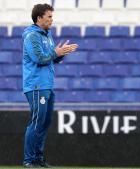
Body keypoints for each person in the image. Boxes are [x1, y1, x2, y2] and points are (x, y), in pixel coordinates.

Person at [22, 3, 78, 168]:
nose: (52, 20)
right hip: (37, 85)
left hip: (47, 85)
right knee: (37, 121)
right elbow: (39, 58)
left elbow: (50, 58)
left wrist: (61, 54)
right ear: (39, 18)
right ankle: (28, 160)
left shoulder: (46, 35)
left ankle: (38, 158)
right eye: (49, 17)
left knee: (45, 122)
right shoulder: (31, 36)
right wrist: (56, 53)